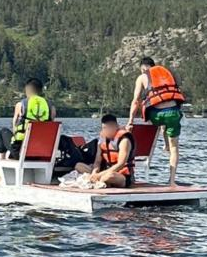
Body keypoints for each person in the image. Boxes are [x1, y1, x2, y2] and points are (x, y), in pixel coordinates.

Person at [126, 57, 185, 186]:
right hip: (174, 113)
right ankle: (172, 181)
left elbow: (135, 101)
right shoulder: (166, 73)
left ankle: (164, 139)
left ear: (142, 69)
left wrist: (130, 120)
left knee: (160, 121)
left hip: (156, 115)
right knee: (174, 148)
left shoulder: (142, 77)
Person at [0, 78, 56, 159]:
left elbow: (15, 128)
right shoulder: (51, 107)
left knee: (3, 131)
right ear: (41, 91)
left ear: (27, 90)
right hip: (42, 153)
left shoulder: (21, 105)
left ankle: (1, 161)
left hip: (20, 152)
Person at [75, 114, 135, 188]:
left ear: (116, 126)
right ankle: (98, 180)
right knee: (78, 166)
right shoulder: (102, 139)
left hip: (121, 175)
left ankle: (98, 180)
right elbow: (97, 161)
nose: (107, 131)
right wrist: (95, 172)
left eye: (109, 128)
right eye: (104, 128)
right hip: (104, 171)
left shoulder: (124, 141)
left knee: (109, 176)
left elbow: (121, 164)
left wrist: (99, 175)